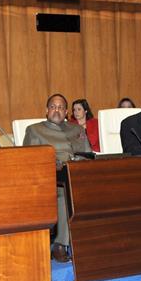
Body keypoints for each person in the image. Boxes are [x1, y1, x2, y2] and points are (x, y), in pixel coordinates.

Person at [23, 93, 91, 262]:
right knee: (65, 193)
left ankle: (91, 243)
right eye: (53, 107)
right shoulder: (35, 130)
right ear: (46, 110)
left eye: (61, 108)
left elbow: (88, 155)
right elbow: (29, 160)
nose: (56, 110)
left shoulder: (77, 129)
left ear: (66, 112)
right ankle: (60, 245)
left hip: (76, 175)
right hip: (51, 180)